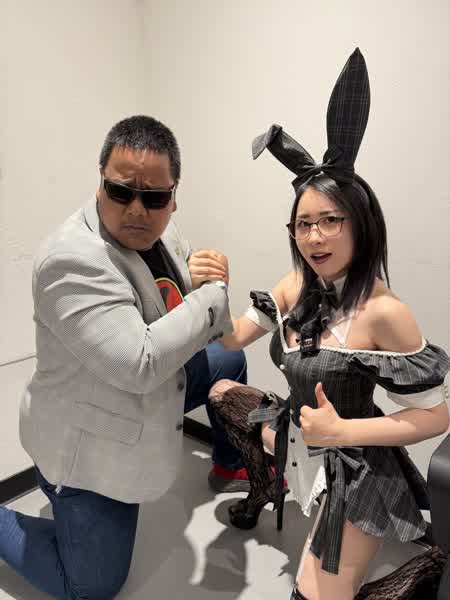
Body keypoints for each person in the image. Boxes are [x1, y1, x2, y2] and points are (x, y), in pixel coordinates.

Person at [203, 49, 450, 599]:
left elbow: (437, 416)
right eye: (303, 224)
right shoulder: (296, 285)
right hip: (299, 441)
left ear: (360, 224)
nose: (314, 238)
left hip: (354, 466)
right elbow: (230, 339)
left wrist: (341, 432)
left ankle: (422, 572)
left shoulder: (383, 311)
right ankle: (266, 486)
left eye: (330, 221)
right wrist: (210, 288)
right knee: (220, 390)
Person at [0, 115, 249, 599]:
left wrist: (200, 274)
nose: (137, 209)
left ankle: (227, 464)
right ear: (100, 183)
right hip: (89, 439)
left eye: (153, 198)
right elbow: (140, 364)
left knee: (227, 363)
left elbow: (173, 300)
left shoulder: (165, 234)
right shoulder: (70, 259)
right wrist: (214, 292)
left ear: (173, 197)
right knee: (92, 588)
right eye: (121, 192)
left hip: (146, 398)